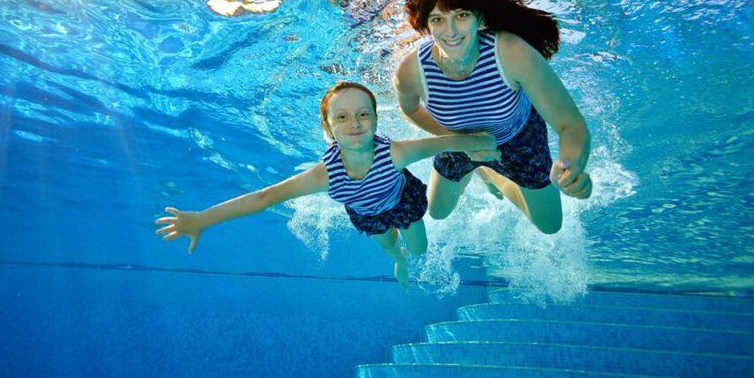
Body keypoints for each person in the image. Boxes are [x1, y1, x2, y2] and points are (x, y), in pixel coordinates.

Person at [155, 81, 499, 289]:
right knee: (391, 246)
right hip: (366, 213)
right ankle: (400, 263)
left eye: (364, 114)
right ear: (328, 128)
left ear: (376, 120)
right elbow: (265, 197)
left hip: (402, 201)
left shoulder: (393, 153)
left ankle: (468, 184)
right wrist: (202, 219)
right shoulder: (325, 174)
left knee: (420, 247)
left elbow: (442, 143)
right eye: (342, 117)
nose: (355, 123)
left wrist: (486, 144)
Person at [393, 0, 592, 235]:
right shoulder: (410, 72)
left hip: (519, 137)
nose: (450, 31)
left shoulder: (511, 53)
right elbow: (410, 109)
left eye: (461, 16)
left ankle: (493, 174)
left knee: (549, 226)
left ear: (479, 17)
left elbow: (571, 124)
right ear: (425, 26)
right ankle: (483, 168)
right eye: (438, 19)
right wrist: (461, 141)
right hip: (458, 139)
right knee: (437, 212)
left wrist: (571, 164)